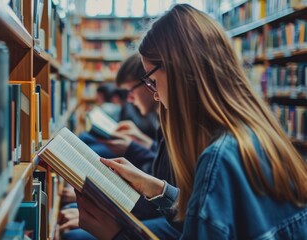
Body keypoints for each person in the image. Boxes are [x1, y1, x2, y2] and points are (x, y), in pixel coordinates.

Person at [76, 4, 307, 239]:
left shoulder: (218, 159)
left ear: (178, 71)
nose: (154, 94)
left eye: (153, 81)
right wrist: (160, 190)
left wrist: (115, 235)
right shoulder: (258, 135)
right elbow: (214, 219)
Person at [59, 54, 176, 239]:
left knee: (74, 234)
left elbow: (167, 197)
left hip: (159, 214)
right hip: (158, 209)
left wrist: (116, 224)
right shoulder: (165, 121)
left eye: (151, 82)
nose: (129, 99)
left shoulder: (176, 124)